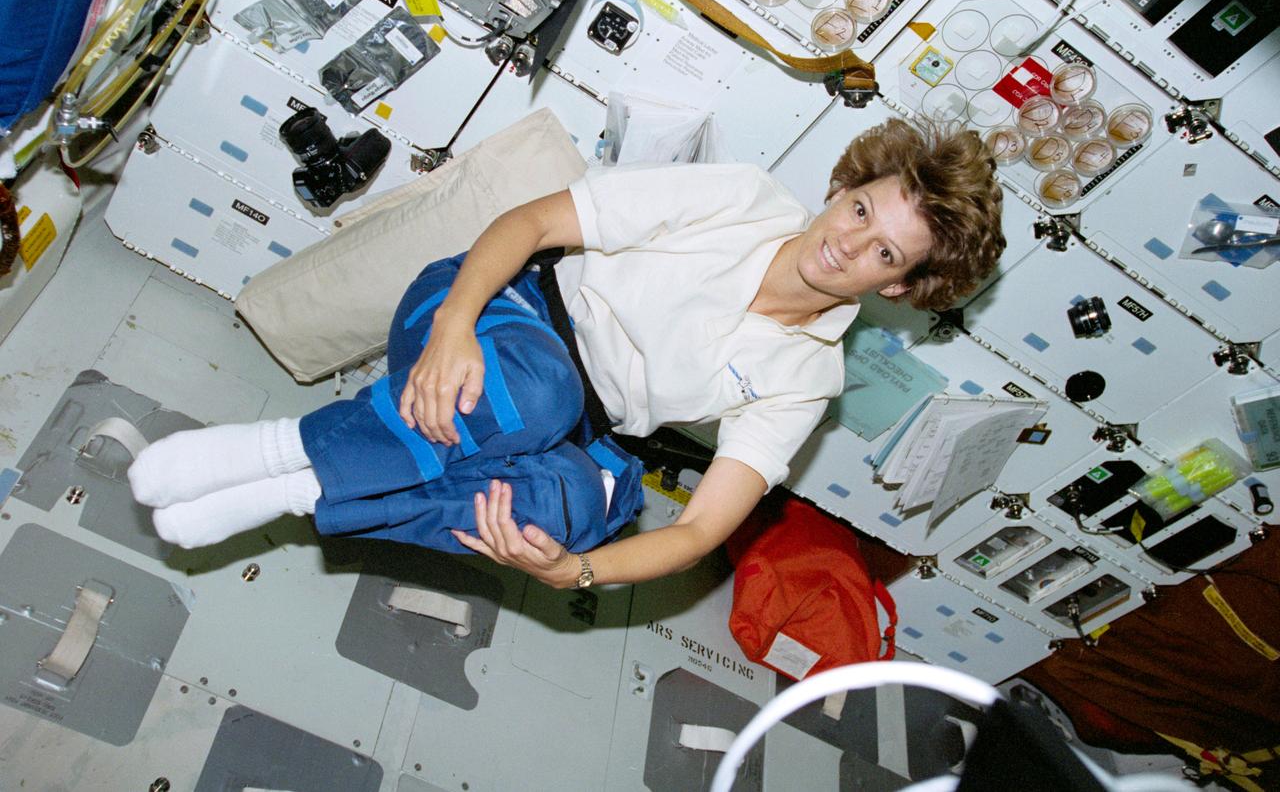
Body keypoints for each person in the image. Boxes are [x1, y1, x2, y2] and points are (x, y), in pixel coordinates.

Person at [128, 117, 1005, 589]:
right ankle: (276, 457)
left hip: (575, 423)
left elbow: (700, 531)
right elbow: (535, 222)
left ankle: (299, 484)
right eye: (862, 212)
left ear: (899, 288)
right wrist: (453, 326)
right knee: (541, 393)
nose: (851, 245)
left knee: (576, 510)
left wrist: (573, 572)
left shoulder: (808, 378)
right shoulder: (743, 197)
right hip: (491, 307)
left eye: (887, 253)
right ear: (844, 189)